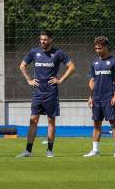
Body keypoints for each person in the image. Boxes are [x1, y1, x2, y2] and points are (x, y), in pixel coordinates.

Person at [18, 30, 75, 158]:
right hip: (37, 92)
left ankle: (49, 150)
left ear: (50, 40)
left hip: (51, 92)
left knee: (51, 120)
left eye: (45, 39)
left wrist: (60, 80)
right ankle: (28, 151)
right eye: (41, 39)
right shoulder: (34, 52)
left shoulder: (58, 53)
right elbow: (22, 66)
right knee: (33, 120)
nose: (42, 42)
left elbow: (72, 67)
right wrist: (29, 80)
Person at [84, 36, 115, 157]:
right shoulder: (94, 63)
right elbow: (92, 81)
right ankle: (95, 150)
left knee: (113, 123)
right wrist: (91, 96)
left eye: (99, 48)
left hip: (108, 98)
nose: (97, 50)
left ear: (106, 47)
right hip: (96, 99)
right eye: (96, 48)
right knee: (96, 124)